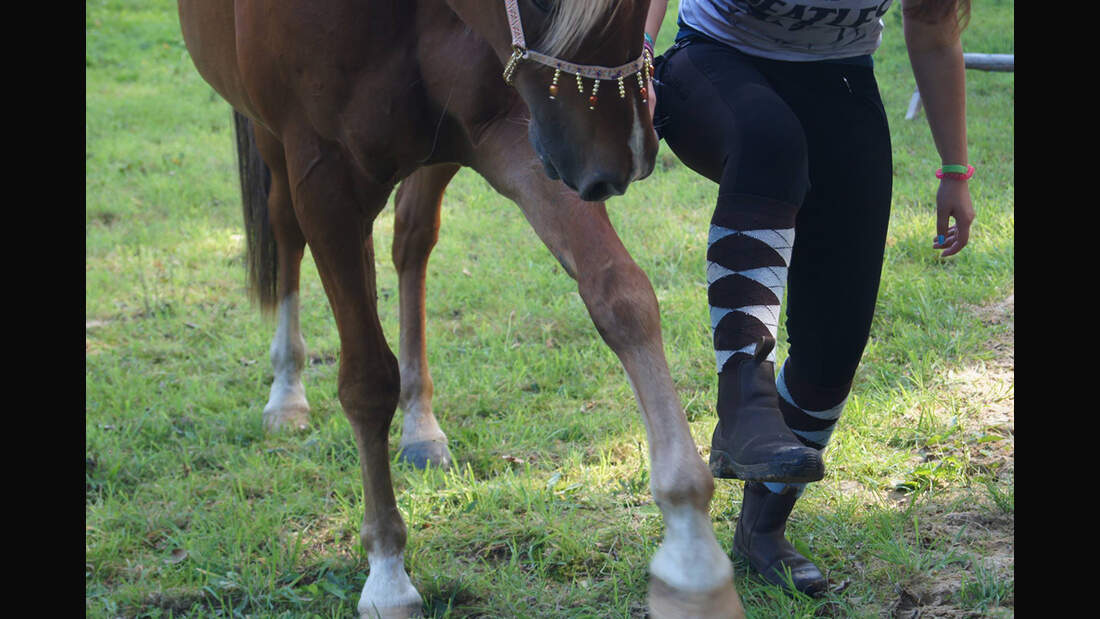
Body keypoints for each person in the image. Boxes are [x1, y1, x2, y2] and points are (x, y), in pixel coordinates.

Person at [643, 0, 975, 597]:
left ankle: (762, 527)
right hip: (713, 63)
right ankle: (743, 403)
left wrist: (955, 170)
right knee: (770, 139)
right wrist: (635, 62)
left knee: (835, 344)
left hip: (841, 79)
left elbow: (931, 28)